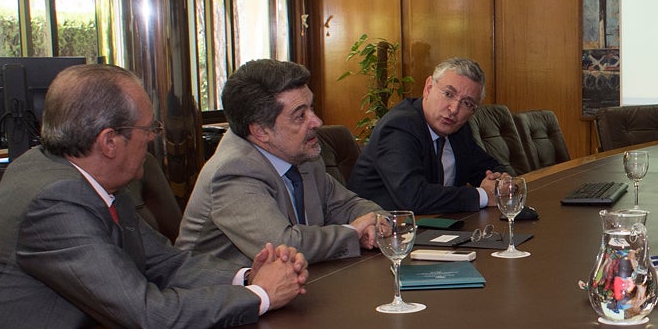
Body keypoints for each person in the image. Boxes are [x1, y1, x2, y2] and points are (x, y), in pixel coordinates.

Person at [0, 64, 307, 329]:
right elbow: (148, 313)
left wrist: (248, 276)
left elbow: (164, 262)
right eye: (148, 130)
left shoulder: (84, 177)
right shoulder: (54, 200)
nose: (151, 140)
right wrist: (259, 296)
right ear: (109, 142)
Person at [179, 59, 385, 265]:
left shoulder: (302, 154)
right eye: (300, 115)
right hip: (226, 284)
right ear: (261, 131)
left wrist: (374, 223)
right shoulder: (232, 171)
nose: (317, 122)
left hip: (307, 277)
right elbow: (284, 247)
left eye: (311, 108)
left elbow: (350, 205)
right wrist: (354, 232)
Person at [348, 57, 512, 215]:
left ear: (473, 111)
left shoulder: (458, 129)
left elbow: (487, 167)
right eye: (448, 94)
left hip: (436, 222)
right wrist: (483, 196)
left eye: (467, 103)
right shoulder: (399, 127)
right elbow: (413, 197)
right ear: (428, 88)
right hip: (384, 228)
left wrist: (501, 181)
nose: (454, 109)